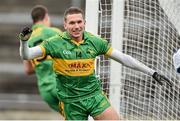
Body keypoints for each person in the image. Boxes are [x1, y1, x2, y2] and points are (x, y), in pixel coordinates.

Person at [19, 7, 172, 120]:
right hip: (71, 103)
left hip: (94, 96)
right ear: (65, 25)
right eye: (72, 23)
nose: (76, 26)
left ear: (84, 23)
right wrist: (24, 41)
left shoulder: (94, 41)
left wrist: (152, 72)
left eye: (79, 22)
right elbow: (27, 55)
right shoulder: (54, 43)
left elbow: (124, 58)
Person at [22, 5, 62, 113]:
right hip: (59, 85)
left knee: (71, 116)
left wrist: (41, 64)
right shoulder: (53, 32)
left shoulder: (27, 39)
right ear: (46, 17)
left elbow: (28, 70)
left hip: (45, 91)